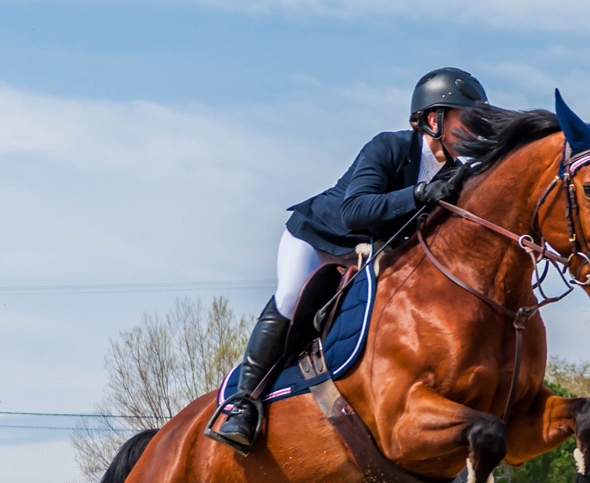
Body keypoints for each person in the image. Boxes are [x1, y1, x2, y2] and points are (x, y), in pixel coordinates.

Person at [208, 67, 488, 450]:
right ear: (432, 119)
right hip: (320, 237)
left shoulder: (457, 173)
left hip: (371, 254)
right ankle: (243, 403)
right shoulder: (388, 147)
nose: (473, 132)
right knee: (292, 299)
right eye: (465, 121)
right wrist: (420, 194)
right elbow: (355, 210)